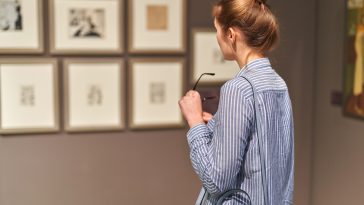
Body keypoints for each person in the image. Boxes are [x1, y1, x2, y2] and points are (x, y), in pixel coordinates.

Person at [178, 0, 294, 204]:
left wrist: (195, 122)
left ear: (231, 34)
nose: (216, 37)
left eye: (217, 29)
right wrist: (218, 126)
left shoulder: (238, 89)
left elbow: (216, 183)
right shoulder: (278, 83)